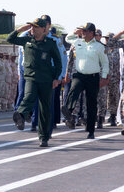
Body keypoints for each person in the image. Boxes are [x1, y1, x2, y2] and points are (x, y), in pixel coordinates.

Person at [8, 18, 62, 147]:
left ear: (43, 30)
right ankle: (20, 114)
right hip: (31, 77)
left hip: (46, 80)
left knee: (45, 109)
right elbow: (10, 39)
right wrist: (19, 30)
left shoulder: (51, 43)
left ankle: (43, 137)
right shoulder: (27, 40)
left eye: (35, 27)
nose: (32, 29)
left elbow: (58, 63)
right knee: (29, 96)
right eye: (31, 27)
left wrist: (56, 78)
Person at [61, 23, 109, 139]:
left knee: (91, 104)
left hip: (93, 77)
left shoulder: (100, 46)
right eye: (82, 31)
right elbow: (68, 42)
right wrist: (75, 32)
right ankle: (68, 109)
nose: (83, 33)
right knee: (74, 90)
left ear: (92, 33)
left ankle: (91, 130)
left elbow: (105, 63)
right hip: (79, 75)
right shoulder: (77, 43)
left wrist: (103, 77)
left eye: (85, 31)